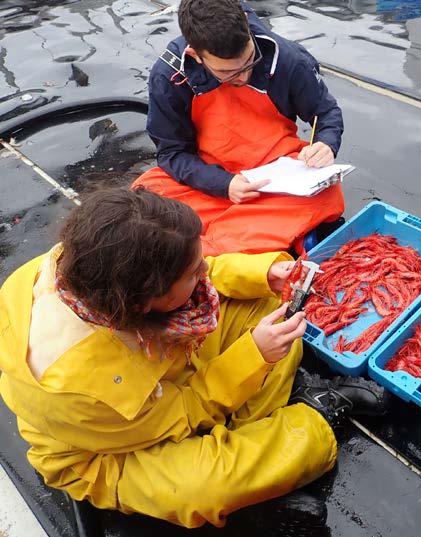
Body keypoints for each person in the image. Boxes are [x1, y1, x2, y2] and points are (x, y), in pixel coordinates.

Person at [0, 188, 387, 529]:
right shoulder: (77, 383)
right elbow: (185, 410)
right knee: (202, 489)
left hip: (156, 375)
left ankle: (257, 449)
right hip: (112, 446)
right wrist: (255, 355)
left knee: (269, 308)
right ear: (142, 302)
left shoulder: (91, 262)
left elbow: (198, 271)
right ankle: (314, 415)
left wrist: (263, 273)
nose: (203, 270)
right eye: (191, 272)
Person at [132, 0, 345, 256]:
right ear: (195, 55)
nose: (243, 77)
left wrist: (325, 143)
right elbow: (172, 153)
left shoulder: (289, 58)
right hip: (205, 176)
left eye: (249, 62)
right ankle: (240, 241)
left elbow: (326, 112)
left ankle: (204, 249)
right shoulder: (168, 75)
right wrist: (224, 184)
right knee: (143, 201)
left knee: (327, 192)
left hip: (273, 178)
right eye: (228, 73)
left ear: (246, 26)